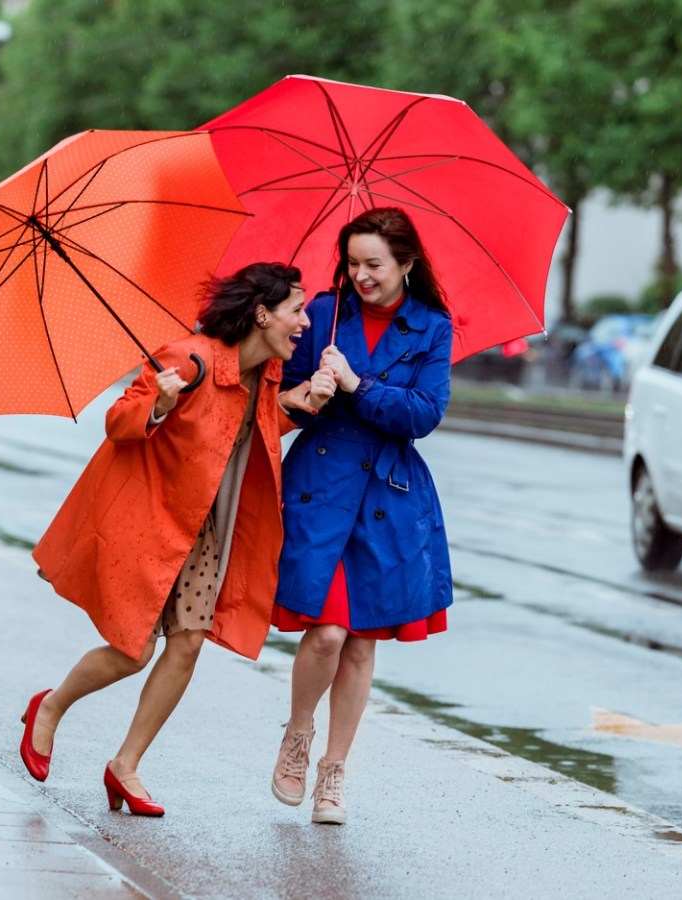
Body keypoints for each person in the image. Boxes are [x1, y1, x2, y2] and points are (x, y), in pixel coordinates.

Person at [21, 262, 337, 816]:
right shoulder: (188, 358)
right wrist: (158, 404)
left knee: (187, 645)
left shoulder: (262, 376)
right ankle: (48, 708)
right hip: (152, 524)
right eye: (296, 310)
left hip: (206, 532)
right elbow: (119, 421)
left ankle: (126, 766)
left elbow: (246, 431)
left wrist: (297, 403)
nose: (305, 323)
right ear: (262, 315)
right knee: (133, 651)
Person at [269, 208, 454, 825]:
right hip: (321, 487)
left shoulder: (432, 327)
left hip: (390, 497)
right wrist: (309, 397)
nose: (361, 275)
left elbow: (424, 414)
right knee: (325, 632)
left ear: (407, 263)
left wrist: (355, 385)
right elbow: (276, 398)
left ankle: (333, 773)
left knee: (361, 641)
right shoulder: (321, 313)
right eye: (353, 263)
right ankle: (298, 735)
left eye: (374, 264)